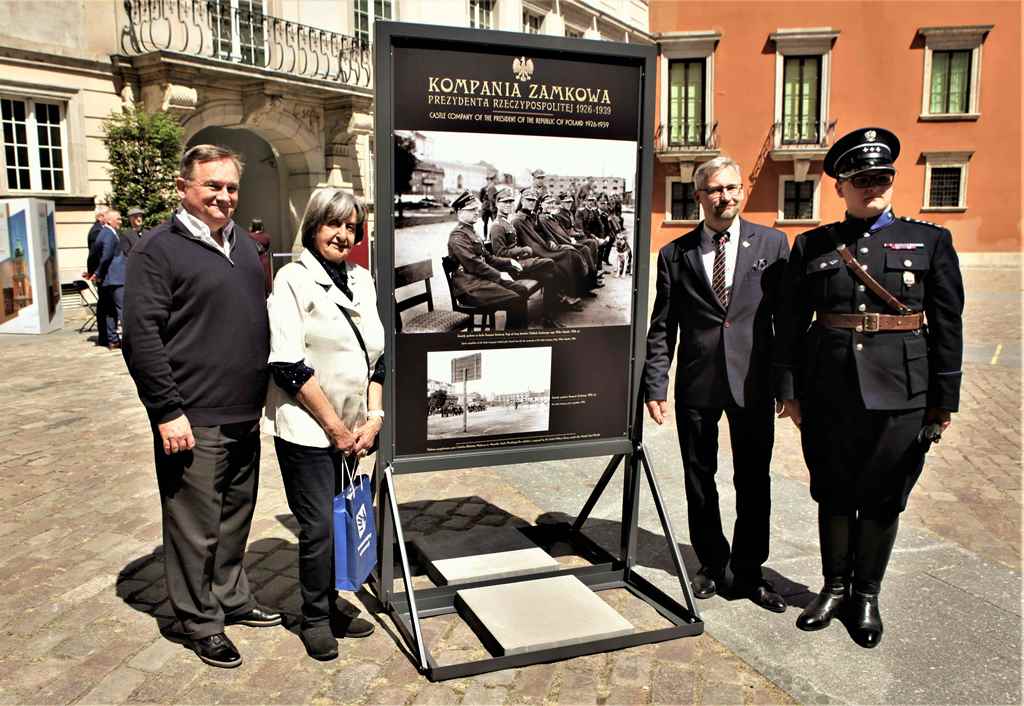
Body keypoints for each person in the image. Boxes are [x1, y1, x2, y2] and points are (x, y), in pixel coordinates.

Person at [774, 128, 964, 648]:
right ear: (840, 187)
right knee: (832, 491)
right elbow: (791, 323)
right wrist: (789, 388)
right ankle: (833, 589)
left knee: (883, 498)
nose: (871, 187)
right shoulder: (811, 244)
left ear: (891, 182)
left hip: (903, 390)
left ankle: (865, 597)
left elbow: (948, 324)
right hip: (828, 389)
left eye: (880, 178)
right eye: (860, 180)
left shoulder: (930, 241)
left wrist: (943, 399)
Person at [122, 144, 280, 669]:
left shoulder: (244, 246)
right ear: (183, 187)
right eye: (212, 185)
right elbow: (140, 336)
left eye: (231, 187)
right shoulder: (156, 249)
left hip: (242, 412)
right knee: (194, 525)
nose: (223, 196)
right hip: (191, 416)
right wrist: (166, 410)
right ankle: (199, 621)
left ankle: (231, 598)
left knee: (235, 515)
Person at [643, 156, 790, 613]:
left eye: (731, 188)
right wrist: (655, 385)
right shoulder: (676, 254)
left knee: (753, 479)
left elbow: (786, 323)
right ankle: (710, 562)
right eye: (713, 190)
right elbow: (662, 327)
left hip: (753, 383)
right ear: (698, 196)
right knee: (699, 478)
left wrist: (787, 384)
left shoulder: (774, 243)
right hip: (698, 383)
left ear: (742, 191)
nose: (723, 197)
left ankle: (749, 570)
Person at [262, 188, 383, 661]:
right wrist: (335, 427)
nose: (343, 234)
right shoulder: (292, 279)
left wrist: (373, 418)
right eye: (334, 223)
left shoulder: (363, 279)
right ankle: (314, 615)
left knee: (345, 520)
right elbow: (288, 364)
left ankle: (332, 603)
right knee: (316, 528)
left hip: (355, 429)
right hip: (310, 429)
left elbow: (379, 358)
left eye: (352, 226)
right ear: (313, 225)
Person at [447, 190, 530, 329]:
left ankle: (518, 333)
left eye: (476, 209)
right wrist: (499, 275)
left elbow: (488, 258)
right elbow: (474, 264)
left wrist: (509, 262)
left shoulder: (471, 231)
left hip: (481, 280)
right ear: (460, 212)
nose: (476, 212)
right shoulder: (457, 236)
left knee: (521, 290)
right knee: (513, 298)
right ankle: (511, 337)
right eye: (471, 210)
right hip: (468, 287)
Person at [488, 185, 563, 328]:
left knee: (549, 276)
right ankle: (549, 317)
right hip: (509, 267)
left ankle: (549, 318)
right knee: (549, 263)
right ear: (497, 204)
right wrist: (522, 250)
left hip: (518, 263)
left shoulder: (506, 222)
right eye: (505, 202)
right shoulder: (497, 226)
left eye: (510, 202)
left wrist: (521, 251)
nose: (509, 205)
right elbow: (500, 254)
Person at [511, 189, 587, 308]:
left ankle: (568, 292)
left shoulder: (532, 216)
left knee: (569, 253)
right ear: (522, 200)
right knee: (564, 256)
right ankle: (563, 296)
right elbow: (528, 243)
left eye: (533, 200)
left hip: (542, 248)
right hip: (532, 254)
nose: (531, 203)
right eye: (528, 200)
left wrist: (549, 240)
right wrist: (547, 252)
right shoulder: (518, 220)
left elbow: (543, 234)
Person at [92, 209, 125, 349]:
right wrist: (98, 273)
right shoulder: (109, 234)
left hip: (108, 279)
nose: (120, 221)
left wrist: (98, 274)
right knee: (122, 308)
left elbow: (95, 255)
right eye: (118, 219)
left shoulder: (103, 233)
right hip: (116, 278)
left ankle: (113, 340)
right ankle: (127, 338)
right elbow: (106, 256)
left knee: (110, 311)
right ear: (110, 220)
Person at [247, 218, 273, 295]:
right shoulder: (266, 237)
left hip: (253, 259)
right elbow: (267, 247)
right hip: (264, 260)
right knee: (266, 280)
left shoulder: (248, 236)